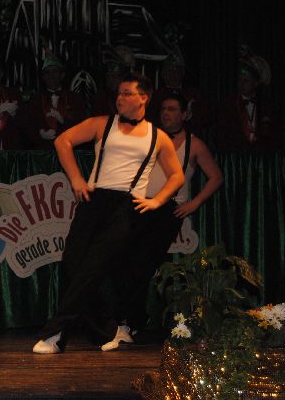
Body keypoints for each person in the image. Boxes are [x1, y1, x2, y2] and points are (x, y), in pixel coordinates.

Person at [33, 72, 184, 354]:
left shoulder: (158, 137)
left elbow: (177, 176)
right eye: (119, 93)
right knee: (73, 264)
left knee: (94, 267)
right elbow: (62, 141)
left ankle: (55, 333)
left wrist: (156, 201)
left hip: (127, 206)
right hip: (94, 199)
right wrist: (76, 180)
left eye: (127, 93)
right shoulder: (103, 123)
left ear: (144, 98)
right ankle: (106, 330)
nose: (120, 98)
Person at [101, 92, 224, 344]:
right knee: (120, 260)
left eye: (172, 109)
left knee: (142, 264)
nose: (166, 113)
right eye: (164, 109)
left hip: (167, 211)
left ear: (185, 114)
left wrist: (194, 203)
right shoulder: (150, 137)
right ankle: (132, 318)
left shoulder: (194, 145)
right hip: (138, 204)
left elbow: (216, 177)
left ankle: (125, 322)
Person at [214, 49, 280, 150]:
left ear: (256, 83)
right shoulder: (229, 105)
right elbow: (221, 135)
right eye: (240, 80)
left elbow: (274, 136)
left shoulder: (266, 107)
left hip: (261, 157)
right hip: (235, 156)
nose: (241, 83)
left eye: (246, 80)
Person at [20, 51, 86, 149]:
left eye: (55, 71)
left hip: (69, 151)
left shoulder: (74, 98)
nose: (51, 76)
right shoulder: (35, 100)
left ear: (62, 75)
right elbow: (27, 126)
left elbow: (83, 125)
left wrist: (64, 121)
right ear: (43, 77)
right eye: (47, 72)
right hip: (42, 152)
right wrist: (40, 134)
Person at [149, 51, 211, 140]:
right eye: (169, 71)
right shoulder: (156, 96)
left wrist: (191, 114)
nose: (173, 74)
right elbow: (151, 120)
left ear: (182, 73)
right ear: (163, 74)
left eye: (176, 70)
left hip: (190, 140)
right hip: (163, 139)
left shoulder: (194, 94)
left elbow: (207, 118)